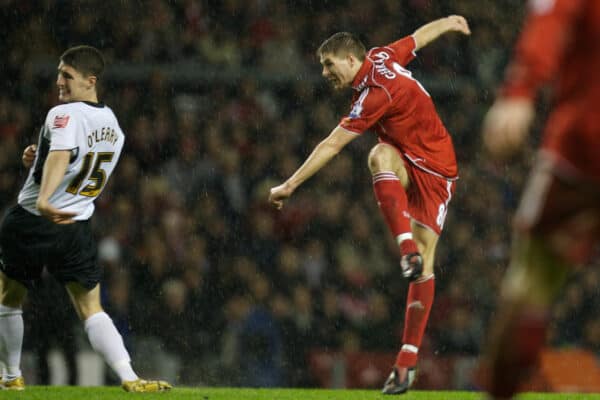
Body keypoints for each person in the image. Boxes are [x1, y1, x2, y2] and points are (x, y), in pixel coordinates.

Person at [268, 15, 471, 394]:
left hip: (438, 171)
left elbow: (331, 143)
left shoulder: (375, 93)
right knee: (380, 156)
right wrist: (447, 22)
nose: (324, 71)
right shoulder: (380, 57)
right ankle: (404, 249)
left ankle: (406, 365)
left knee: (428, 265)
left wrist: (290, 184)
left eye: (329, 64)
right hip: (405, 158)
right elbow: (416, 39)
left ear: (349, 59)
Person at [0, 45, 172, 392]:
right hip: (75, 226)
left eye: (68, 76)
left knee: (8, 297)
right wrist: (38, 159)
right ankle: (130, 377)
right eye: (59, 73)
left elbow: (62, 155)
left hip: (33, 220)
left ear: (90, 80)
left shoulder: (62, 114)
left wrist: (46, 196)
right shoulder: (113, 125)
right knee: (91, 308)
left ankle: (10, 377)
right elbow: (74, 160)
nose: (59, 81)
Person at [480, 0, 600, 398]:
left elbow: (551, 18)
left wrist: (520, 89)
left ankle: (502, 389)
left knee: (532, 279)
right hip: (581, 146)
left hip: (581, 148)